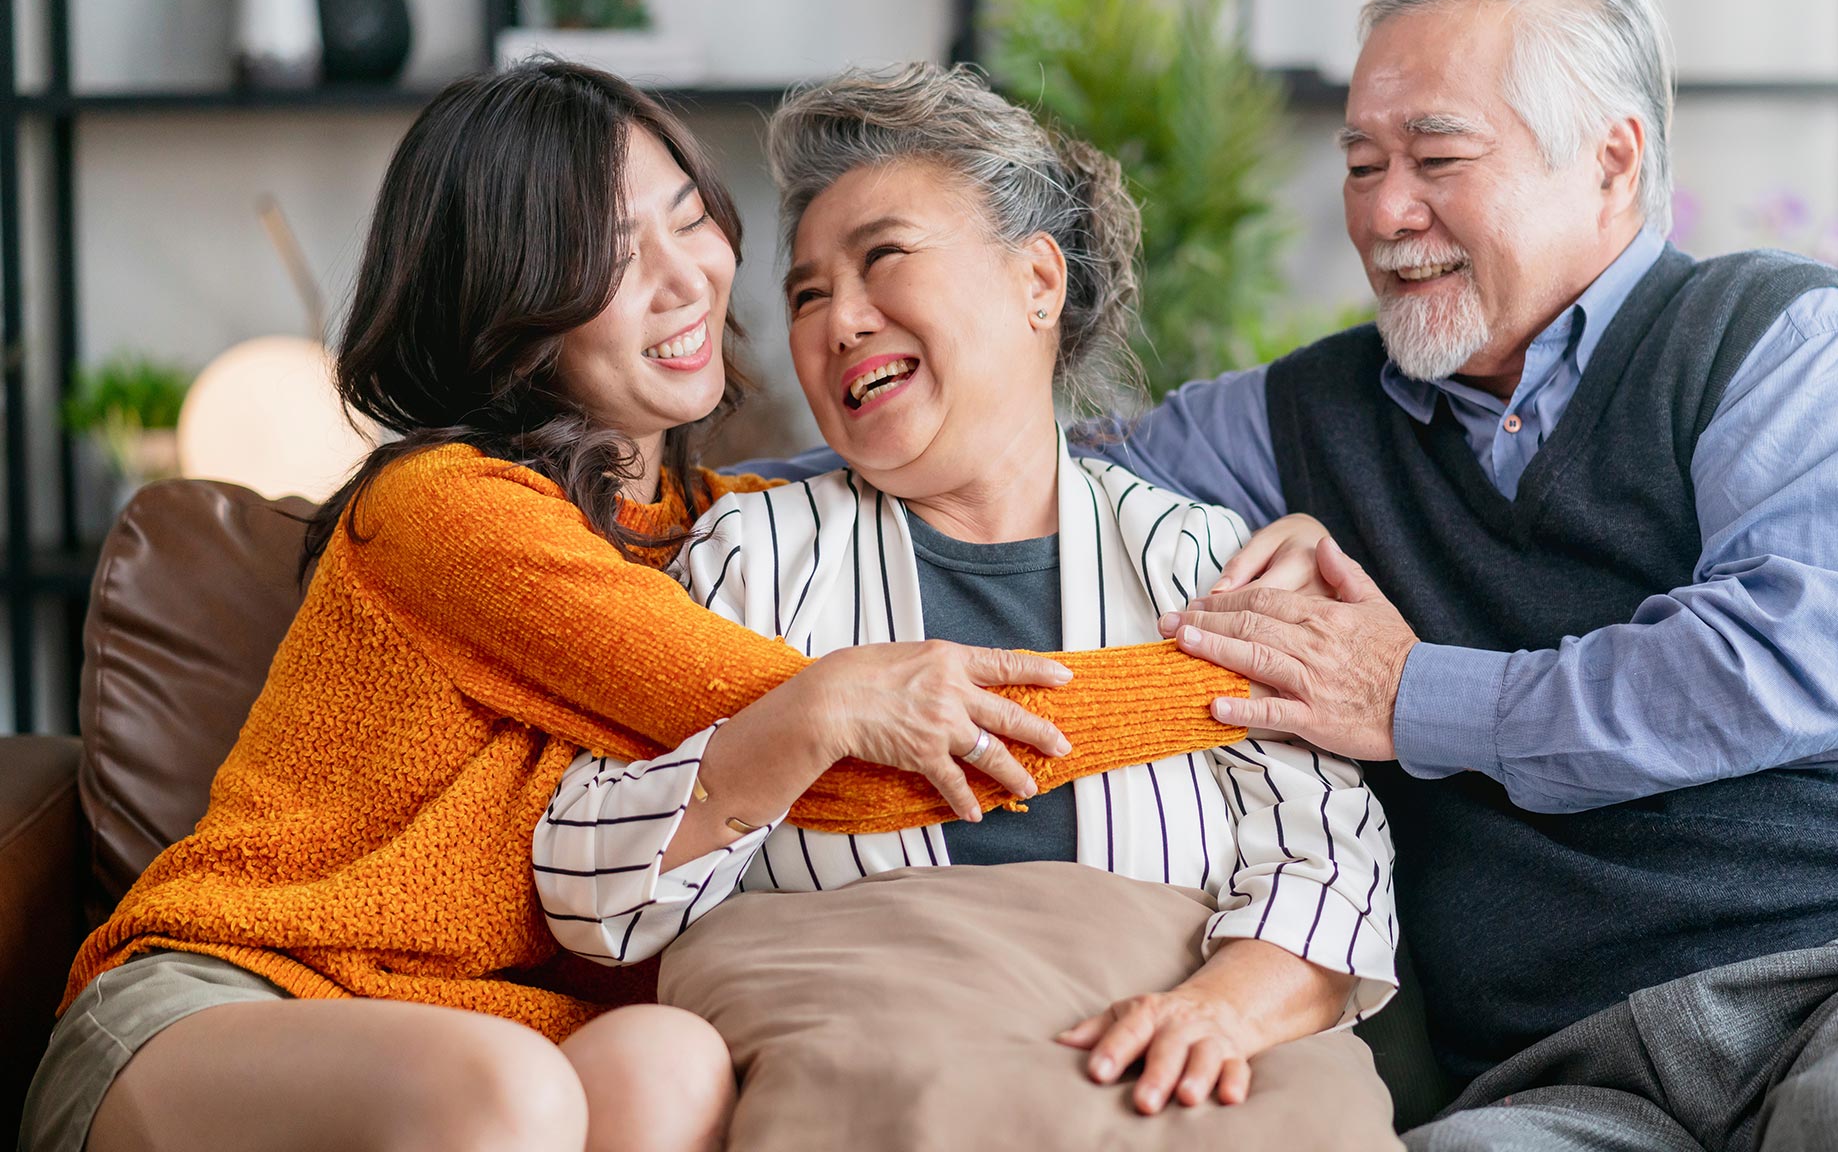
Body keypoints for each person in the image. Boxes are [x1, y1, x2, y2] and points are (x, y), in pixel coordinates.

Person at [21, 61, 1251, 1152]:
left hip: (505, 1031)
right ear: (510, 308)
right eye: (610, 258)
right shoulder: (453, 512)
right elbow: (845, 756)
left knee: (672, 1061)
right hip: (243, 1000)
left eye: (690, 221)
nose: (685, 281)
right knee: (509, 1098)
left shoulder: (725, 524)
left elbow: (1013, 439)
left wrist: (1251, 542)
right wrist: (1252, 678)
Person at [1073, 0, 1838, 1146]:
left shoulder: (1778, 340)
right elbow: (1015, 483)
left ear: (1611, 161)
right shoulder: (1297, 423)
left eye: (1435, 157)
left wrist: (1411, 693)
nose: (1381, 211)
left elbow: (1795, 663)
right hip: (1569, 1072)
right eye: (1362, 165)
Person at [533, 62, 1399, 1122]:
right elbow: (585, 884)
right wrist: (807, 719)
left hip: (1188, 1074)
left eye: (882, 257)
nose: (838, 320)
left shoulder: (1202, 561)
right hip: (885, 1068)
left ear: (1037, 282)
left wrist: (1219, 1012)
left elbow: (1332, 862)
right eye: (806, 294)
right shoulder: (753, 557)